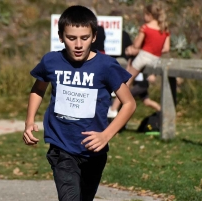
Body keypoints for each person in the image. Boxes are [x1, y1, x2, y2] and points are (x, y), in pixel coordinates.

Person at [23, 5, 136, 201]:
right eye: (71, 38)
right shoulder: (51, 61)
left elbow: (129, 104)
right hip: (62, 146)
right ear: (61, 37)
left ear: (94, 37)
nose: (78, 45)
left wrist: (105, 135)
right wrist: (29, 120)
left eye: (84, 38)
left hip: (94, 149)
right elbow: (38, 89)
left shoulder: (106, 66)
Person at [108, 0, 170, 117]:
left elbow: (136, 45)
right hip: (156, 58)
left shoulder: (146, 28)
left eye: (145, 14)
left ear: (149, 15)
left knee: (126, 81)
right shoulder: (164, 29)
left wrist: (133, 48)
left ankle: (113, 108)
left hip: (143, 56)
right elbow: (166, 48)